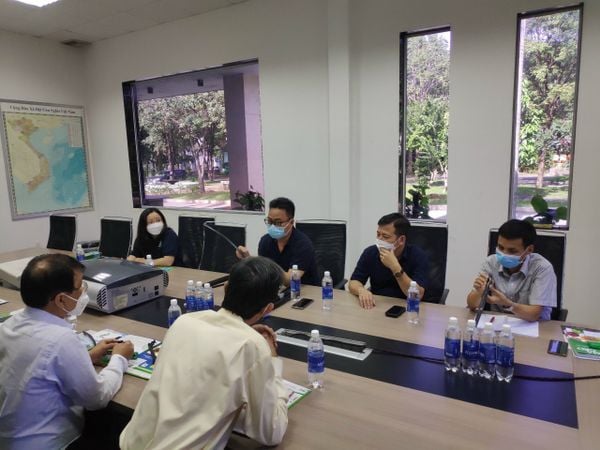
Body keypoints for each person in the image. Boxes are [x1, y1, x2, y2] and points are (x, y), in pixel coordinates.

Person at [119, 256, 289, 449]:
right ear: (268, 309)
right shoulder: (253, 346)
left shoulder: (184, 321)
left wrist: (247, 333)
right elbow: (271, 432)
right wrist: (272, 361)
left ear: (225, 288)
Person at [0, 254, 134, 450]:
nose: (83, 292)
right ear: (62, 299)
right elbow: (96, 398)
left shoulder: (9, 325)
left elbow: (36, 366)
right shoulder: (61, 339)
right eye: (80, 287)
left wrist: (87, 356)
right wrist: (119, 358)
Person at [467, 219, 557, 321]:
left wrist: (508, 304)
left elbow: (534, 314)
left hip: (534, 326)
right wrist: (478, 292)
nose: (504, 254)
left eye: (512, 251)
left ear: (529, 250)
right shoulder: (491, 262)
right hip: (497, 325)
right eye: (500, 247)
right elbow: (471, 305)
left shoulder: (542, 268)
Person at [349, 213, 429, 309]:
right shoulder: (370, 252)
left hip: (408, 308)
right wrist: (361, 290)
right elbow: (354, 282)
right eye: (378, 234)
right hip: (376, 305)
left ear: (401, 240)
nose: (379, 240)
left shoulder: (418, 256)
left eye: (385, 236)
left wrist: (395, 267)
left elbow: (418, 295)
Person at [236, 197, 319, 285]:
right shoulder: (265, 241)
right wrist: (248, 260)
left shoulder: (303, 244)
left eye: (278, 222)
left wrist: (263, 264)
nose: (273, 226)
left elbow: (290, 280)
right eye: (270, 221)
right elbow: (263, 274)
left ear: (291, 222)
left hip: (304, 289)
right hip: (276, 288)